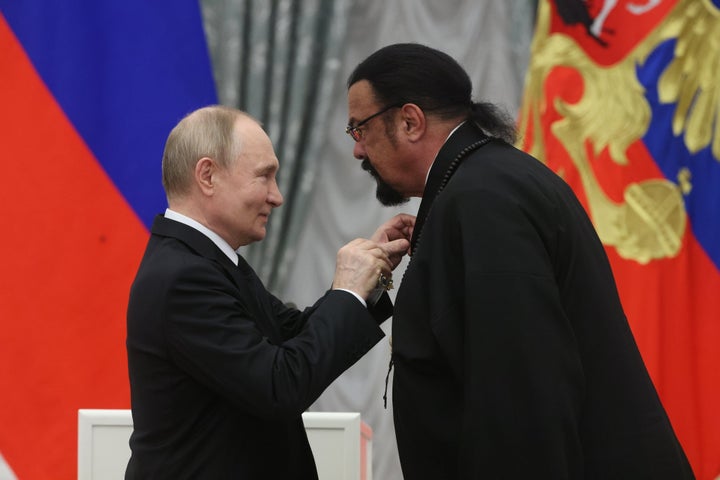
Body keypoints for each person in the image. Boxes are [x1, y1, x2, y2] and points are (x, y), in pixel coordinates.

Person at [345, 43, 694, 479]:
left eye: (359, 129)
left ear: (410, 121)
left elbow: (522, 399)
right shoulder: (484, 187)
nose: (358, 151)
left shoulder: (482, 201)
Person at [125, 105, 414, 479]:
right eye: (265, 176)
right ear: (207, 176)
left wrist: (366, 278)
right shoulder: (184, 277)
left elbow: (292, 334)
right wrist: (346, 290)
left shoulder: (205, 260)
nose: (277, 197)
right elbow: (280, 385)